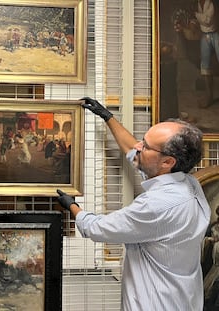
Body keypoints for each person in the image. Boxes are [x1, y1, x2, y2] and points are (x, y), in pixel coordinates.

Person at [56, 97, 210, 310]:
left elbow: (98, 228)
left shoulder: (156, 205)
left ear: (168, 162)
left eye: (145, 145)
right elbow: (134, 153)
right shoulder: (189, 183)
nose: (139, 146)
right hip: (183, 300)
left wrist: (72, 205)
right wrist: (108, 117)